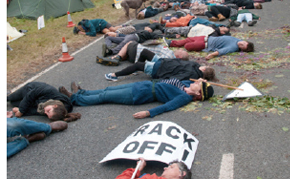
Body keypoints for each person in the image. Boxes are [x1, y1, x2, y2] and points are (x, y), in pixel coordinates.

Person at [60, 78, 214, 118]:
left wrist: (148, 112)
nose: (196, 83)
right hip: (142, 85)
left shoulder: (184, 97)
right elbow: (196, 79)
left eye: (198, 86)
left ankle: (74, 99)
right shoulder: (186, 84)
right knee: (107, 89)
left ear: (198, 94)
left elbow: (168, 106)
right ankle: (82, 92)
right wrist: (202, 82)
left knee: (105, 96)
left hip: (139, 95)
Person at [7, 81, 81, 122]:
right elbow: (31, 94)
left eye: (47, 114)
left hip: (35, 102)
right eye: (48, 111)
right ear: (55, 105)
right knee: (10, 98)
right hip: (30, 90)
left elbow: (34, 111)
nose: (45, 112)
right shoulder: (50, 91)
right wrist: (21, 110)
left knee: (13, 104)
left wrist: (21, 112)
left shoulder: (55, 112)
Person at [105, 57, 215, 82]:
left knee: (138, 65)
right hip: (164, 62)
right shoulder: (195, 65)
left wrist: (158, 80)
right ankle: (135, 70)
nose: (202, 65)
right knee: (145, 53)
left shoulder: (192, 74)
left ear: (204, 70)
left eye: (205, 66)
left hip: (160, 69)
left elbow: (175, 78)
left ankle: (114, 75)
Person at [97, 41, 187, 66]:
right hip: (137, 58)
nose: (180, 49)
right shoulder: (171, 58)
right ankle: (116, 57)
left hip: (138, 50)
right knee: (127, 52)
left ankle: (116, 57)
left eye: (182, 51)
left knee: (130, 42)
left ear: (179, 56)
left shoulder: (169, 55)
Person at [169, 35, 253, 59]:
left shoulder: (233, 47)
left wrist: (211, 55)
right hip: (206, 37)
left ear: (241, 49)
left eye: (242, 47)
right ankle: (171, 43)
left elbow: (221, 51)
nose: (241, 44)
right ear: (245, 41)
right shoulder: (237, 39)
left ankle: (178, 48)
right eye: (243, 43)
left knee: (187, 46)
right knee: (187, 39)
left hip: (205, 44)